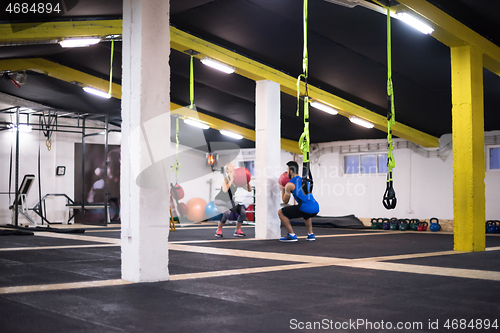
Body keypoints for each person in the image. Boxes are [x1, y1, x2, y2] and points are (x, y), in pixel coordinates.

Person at [278, 161, 319, 242]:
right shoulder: (305, 181)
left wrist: (282, 189)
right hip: (316, 207)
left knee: (281, 212)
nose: (286, 173)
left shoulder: (289, 185)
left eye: (287, 170)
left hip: (306, 208)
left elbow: (285, 201)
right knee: (306, 213)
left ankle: (292, 235)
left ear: (291, 171)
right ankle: (311, 234)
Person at [214, 163, 252, 237]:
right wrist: (231, 179)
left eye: (233, 165)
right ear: (227, 170)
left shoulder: (237, 180)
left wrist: (247, 180)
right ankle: (218, 230)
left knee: (243, 212)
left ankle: (237, 231)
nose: (233, 166)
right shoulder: (226, 179)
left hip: (229, 201)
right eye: (231, 166)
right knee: (227, 213)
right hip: (220, 200)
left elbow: (249, 189)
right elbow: (225, 190)